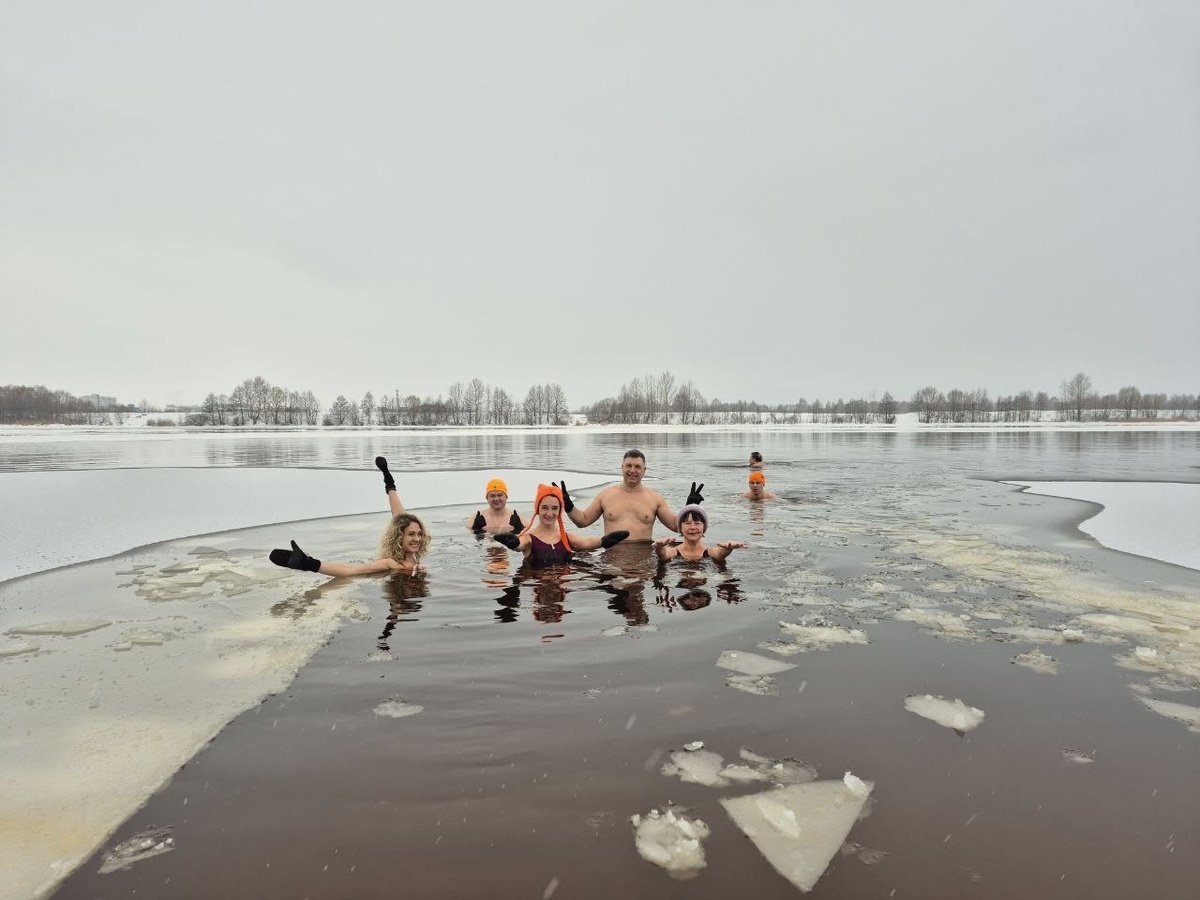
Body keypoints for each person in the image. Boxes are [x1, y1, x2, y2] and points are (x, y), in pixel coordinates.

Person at [269, 456, 430, 576]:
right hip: (402, 596)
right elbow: (350, 571)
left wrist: (389, 480)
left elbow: (399, 515)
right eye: (411, 534)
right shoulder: (391, 563)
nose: (417, 538)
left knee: (403, 518)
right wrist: (309, 564)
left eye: (419, 534)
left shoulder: (415, 557)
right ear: (399, 536)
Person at [556, 449, 702, 542]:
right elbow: (582, 521)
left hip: (643, 556)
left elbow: (675, 526)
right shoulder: (606, 496)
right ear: (622, 467)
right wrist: (569, 506)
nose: (633, 470)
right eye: (629, 466)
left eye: (637, 467)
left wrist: (689, 508)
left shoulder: (654, 499)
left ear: (644, 470)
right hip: (613, 556)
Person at [493, 483, 629, 566]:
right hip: (537, 583)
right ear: (537, 510)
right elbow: (521, 544)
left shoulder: (565, 537)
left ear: (559, 511)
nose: (549, 513)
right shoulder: (529, 538)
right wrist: (514, 543)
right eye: (544, 508)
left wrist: (604, 541)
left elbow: (586, 543)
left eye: (554, 508)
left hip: (563, 585)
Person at [653, 503, 746, 562]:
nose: (693, 527)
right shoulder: (673, 552)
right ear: (680, 528)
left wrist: (728, 549)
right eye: (688, 523)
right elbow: (664, 555)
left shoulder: (710, 551)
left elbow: (719, 554)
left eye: (697, 523)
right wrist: (659, 548)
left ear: (704, 527)